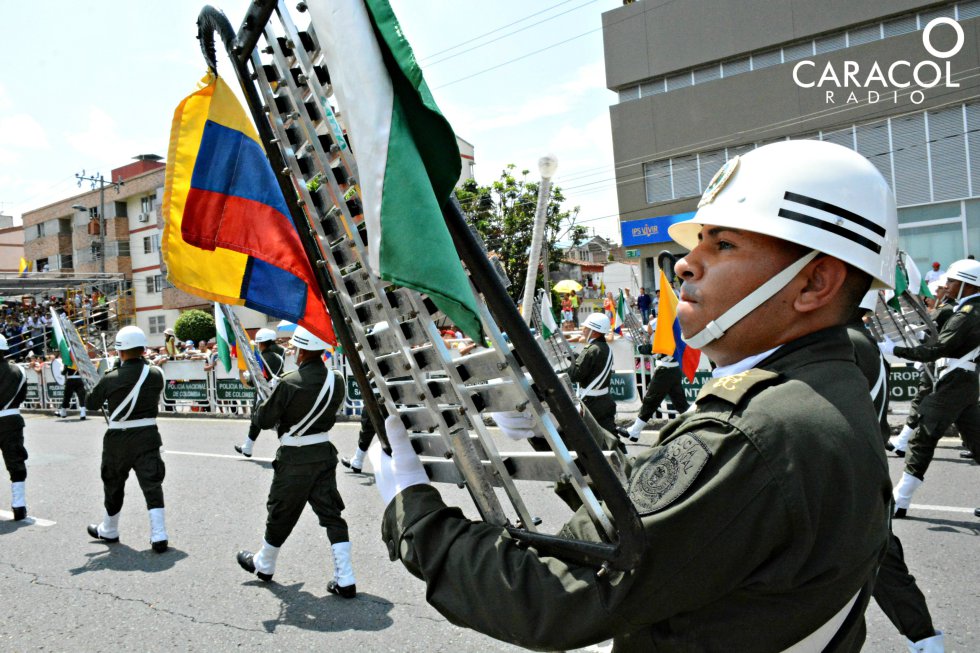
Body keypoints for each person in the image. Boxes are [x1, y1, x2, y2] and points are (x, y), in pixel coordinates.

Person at [370, 140, 895, 651]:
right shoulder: (825, 384)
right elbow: (662, 517)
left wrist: (413, 512)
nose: (687, 264)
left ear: (814, 284)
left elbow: (548, 597)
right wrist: (559, 431)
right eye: (699, 242)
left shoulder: (757, 431)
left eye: (724, 244)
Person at [849, 292, 944, 652]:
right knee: (885, 566)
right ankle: (927, 643)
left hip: (847, 478)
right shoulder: (855, 338)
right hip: (865, 474)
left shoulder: (841, 342)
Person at [235, 326, 356, 597]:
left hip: (295, 457)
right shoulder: (336, 379)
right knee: (332, 515)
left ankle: (264, 564)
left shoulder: (290, 381)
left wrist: (265, 399)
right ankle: (345, 578)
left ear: (300, 351)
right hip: (324, 452)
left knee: (280, 511)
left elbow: (263, 420)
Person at [880, 257, 980, 519]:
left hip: (954, 382)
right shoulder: (970, 310)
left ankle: (899, 501)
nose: (946, 286)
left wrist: (895, 350)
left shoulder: (968, 313)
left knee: (921, 438)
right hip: (963, 381)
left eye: (951, 281)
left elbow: (939, 349)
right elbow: (950, 343)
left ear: (967, 285)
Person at [85, 326, 169, 553]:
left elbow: (91, 404)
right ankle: (159, 534)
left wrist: (110, 374)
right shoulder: (156, 374)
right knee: (152, 484)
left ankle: (110, 529)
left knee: (113, 483)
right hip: (148, 435)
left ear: (120, 352)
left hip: (118, 439)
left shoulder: (111, 378)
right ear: (143, 348)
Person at [887, 279, 955, 457]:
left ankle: (902, 442)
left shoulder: (945, 310)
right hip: (942, 363)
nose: (927, 299)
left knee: (922, 400)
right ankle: (903, 441)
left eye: (932, 293)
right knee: (961, 409)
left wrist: (920, 333)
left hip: (939, 363)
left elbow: (937, 341)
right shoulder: (943, 309)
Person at [626, 318, 690, 442]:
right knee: (680, 404)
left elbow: (654, 349)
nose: (648, 330)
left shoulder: (663, 337)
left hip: (664, 371)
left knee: (650, 400)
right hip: (674, 370)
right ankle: (695, 424)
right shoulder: (670, 335)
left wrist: (641, 348)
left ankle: (635, 431)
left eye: (651, 327)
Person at [234, 328, 286, 457]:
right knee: (271, 420)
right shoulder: (280, 353)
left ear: (262, 343)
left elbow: (258, 378)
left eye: (258, 343)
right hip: (277, 390)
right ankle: (247, 447)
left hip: (264, 392)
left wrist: (248, 378)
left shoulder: (263, 358)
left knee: (261, 419)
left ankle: (290, 447)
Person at [569, 312, 616, 436]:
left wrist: (568, 366)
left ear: (594, 332)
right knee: (610, 437)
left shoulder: (591, 349)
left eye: (586, 328)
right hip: (604, 400)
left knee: (583, 438)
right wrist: (576, 358)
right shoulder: (605, 348)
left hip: (591, 403)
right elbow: (593, 367)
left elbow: (574, 375)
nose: (583, 330)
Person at [0, 336, 28, 520]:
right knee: (16, 463)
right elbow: (23, 396)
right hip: (11, 419)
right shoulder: (19, 370)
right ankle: (19, 506)